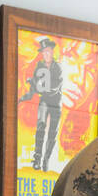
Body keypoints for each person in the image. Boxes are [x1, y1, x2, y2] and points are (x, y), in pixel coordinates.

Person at [19, 36, 64, 171]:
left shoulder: (58, 68)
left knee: (52, 132)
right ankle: (37, 158)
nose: (46, 54)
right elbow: (34, 87)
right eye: (44, 52)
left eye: (48, 51)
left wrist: (38, 86)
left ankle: (46, 160)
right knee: (41, 126)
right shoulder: (39, 67)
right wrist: (26, 96)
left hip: (55, 103)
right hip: (44, 101)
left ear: (52, 52)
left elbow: (55, 87)